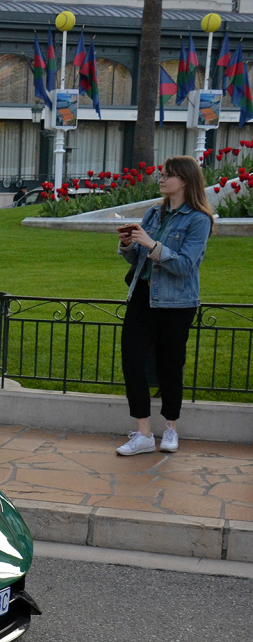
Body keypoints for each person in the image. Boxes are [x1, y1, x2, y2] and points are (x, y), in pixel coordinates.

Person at [114, 155, 212, 456]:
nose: (162, 178)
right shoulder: (153, 213)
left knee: (170, 366)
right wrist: (129, 244)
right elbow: (137, 259)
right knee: (133, 362)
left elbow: (184, 266)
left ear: (184, 180)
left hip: (176, 303)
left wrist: (152, 245)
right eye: (162, 173)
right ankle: (143, 433)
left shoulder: (199, 219)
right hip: (142, 297)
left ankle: (170, 428)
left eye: (168, 174)